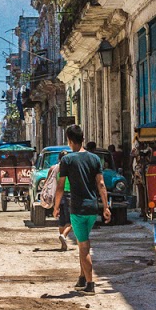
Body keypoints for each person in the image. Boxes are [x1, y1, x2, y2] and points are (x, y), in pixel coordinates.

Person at [50, 124, 109, 293]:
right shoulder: (94, 159)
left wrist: (56, 207)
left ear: (69, 140)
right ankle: (82, 278)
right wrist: (106, 207)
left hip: (77, 209)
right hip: (92, 208)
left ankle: (90, 284)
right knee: (83, 241)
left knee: (84, 247)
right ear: (83, 139)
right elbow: (101, 184)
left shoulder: (67, 160)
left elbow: (60, 187)